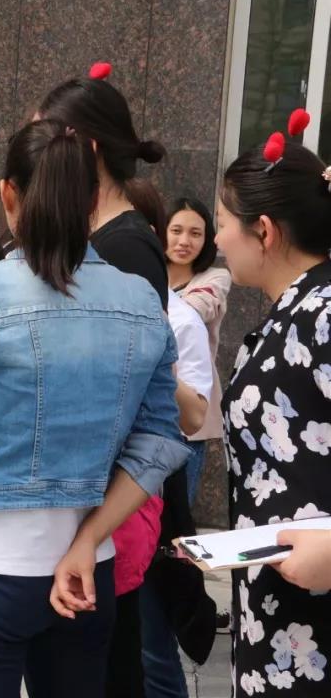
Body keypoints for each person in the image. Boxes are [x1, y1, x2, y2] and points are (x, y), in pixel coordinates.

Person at [0, 119, 189, 698]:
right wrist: (88, 538)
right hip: (87, 565)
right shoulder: (141, 298)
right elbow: (161, 440)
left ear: (8, 194)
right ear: (94, 200)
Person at [37, 71, 205, 697]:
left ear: (83, 148)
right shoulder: (107, 237)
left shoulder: (126, 248)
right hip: (106, 494)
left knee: (111, 667)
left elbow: (131, 387)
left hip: (114, 497)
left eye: (46, 142)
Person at [215, 139, 331, 697]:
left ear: (263, 230)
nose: (217, 240)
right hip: (278, 604)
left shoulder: (323, 312)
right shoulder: (294, 310)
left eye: (221, 224)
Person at [163, 196, 232, 502]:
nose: (184, 241)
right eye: (176, 230)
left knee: (177, 512)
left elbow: (198, 307)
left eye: (195, 233)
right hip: (147, 407)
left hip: (191, 408)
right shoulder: (146, 274)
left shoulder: (215, 278)